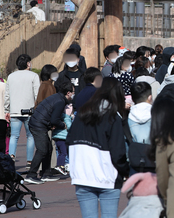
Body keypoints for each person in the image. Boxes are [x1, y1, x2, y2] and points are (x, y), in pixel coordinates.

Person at [67, 78, 129, 218]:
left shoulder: (82, 113)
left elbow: (69, 140)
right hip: (107, 176)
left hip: (82, 176)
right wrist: (126, 171)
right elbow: (118, 151)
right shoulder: (113, 117)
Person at [25, 80, 74, 184]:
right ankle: (31, 174)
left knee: (48, 148)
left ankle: (45, 173)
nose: (74, 95)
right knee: (42, 149)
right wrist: (63, 125)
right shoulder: (60, 101)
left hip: (39, 123)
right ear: (68, 93)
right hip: (38, 125)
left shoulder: (58, 97)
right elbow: (54, 120)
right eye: (73, 92)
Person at [5, 54, 39, 164]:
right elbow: (37, 95)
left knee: (14, 136)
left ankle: (11, 156)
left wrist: (6, 110)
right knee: (30, 136)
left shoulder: (11, 76)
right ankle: (29, 161)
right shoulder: (33, 76)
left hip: (14, 110)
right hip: (29, 111)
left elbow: (7, 95)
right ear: (28, 64)